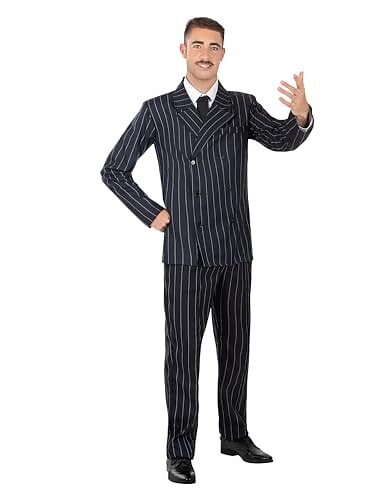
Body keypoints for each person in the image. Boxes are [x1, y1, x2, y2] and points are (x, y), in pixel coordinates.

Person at [100, 16, 314, 484]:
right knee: (182, 357)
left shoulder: (241, 106)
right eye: (197, 45)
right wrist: (151, 212)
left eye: (214, 47)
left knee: (236, 349)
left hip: (234, 249)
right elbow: (114, 169)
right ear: (183, 51)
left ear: (223, 54)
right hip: (184, 254)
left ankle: (234, 435)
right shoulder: (158, 109)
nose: (205, 53)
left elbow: (282, 140)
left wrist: (300, 116)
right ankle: (179, 450)